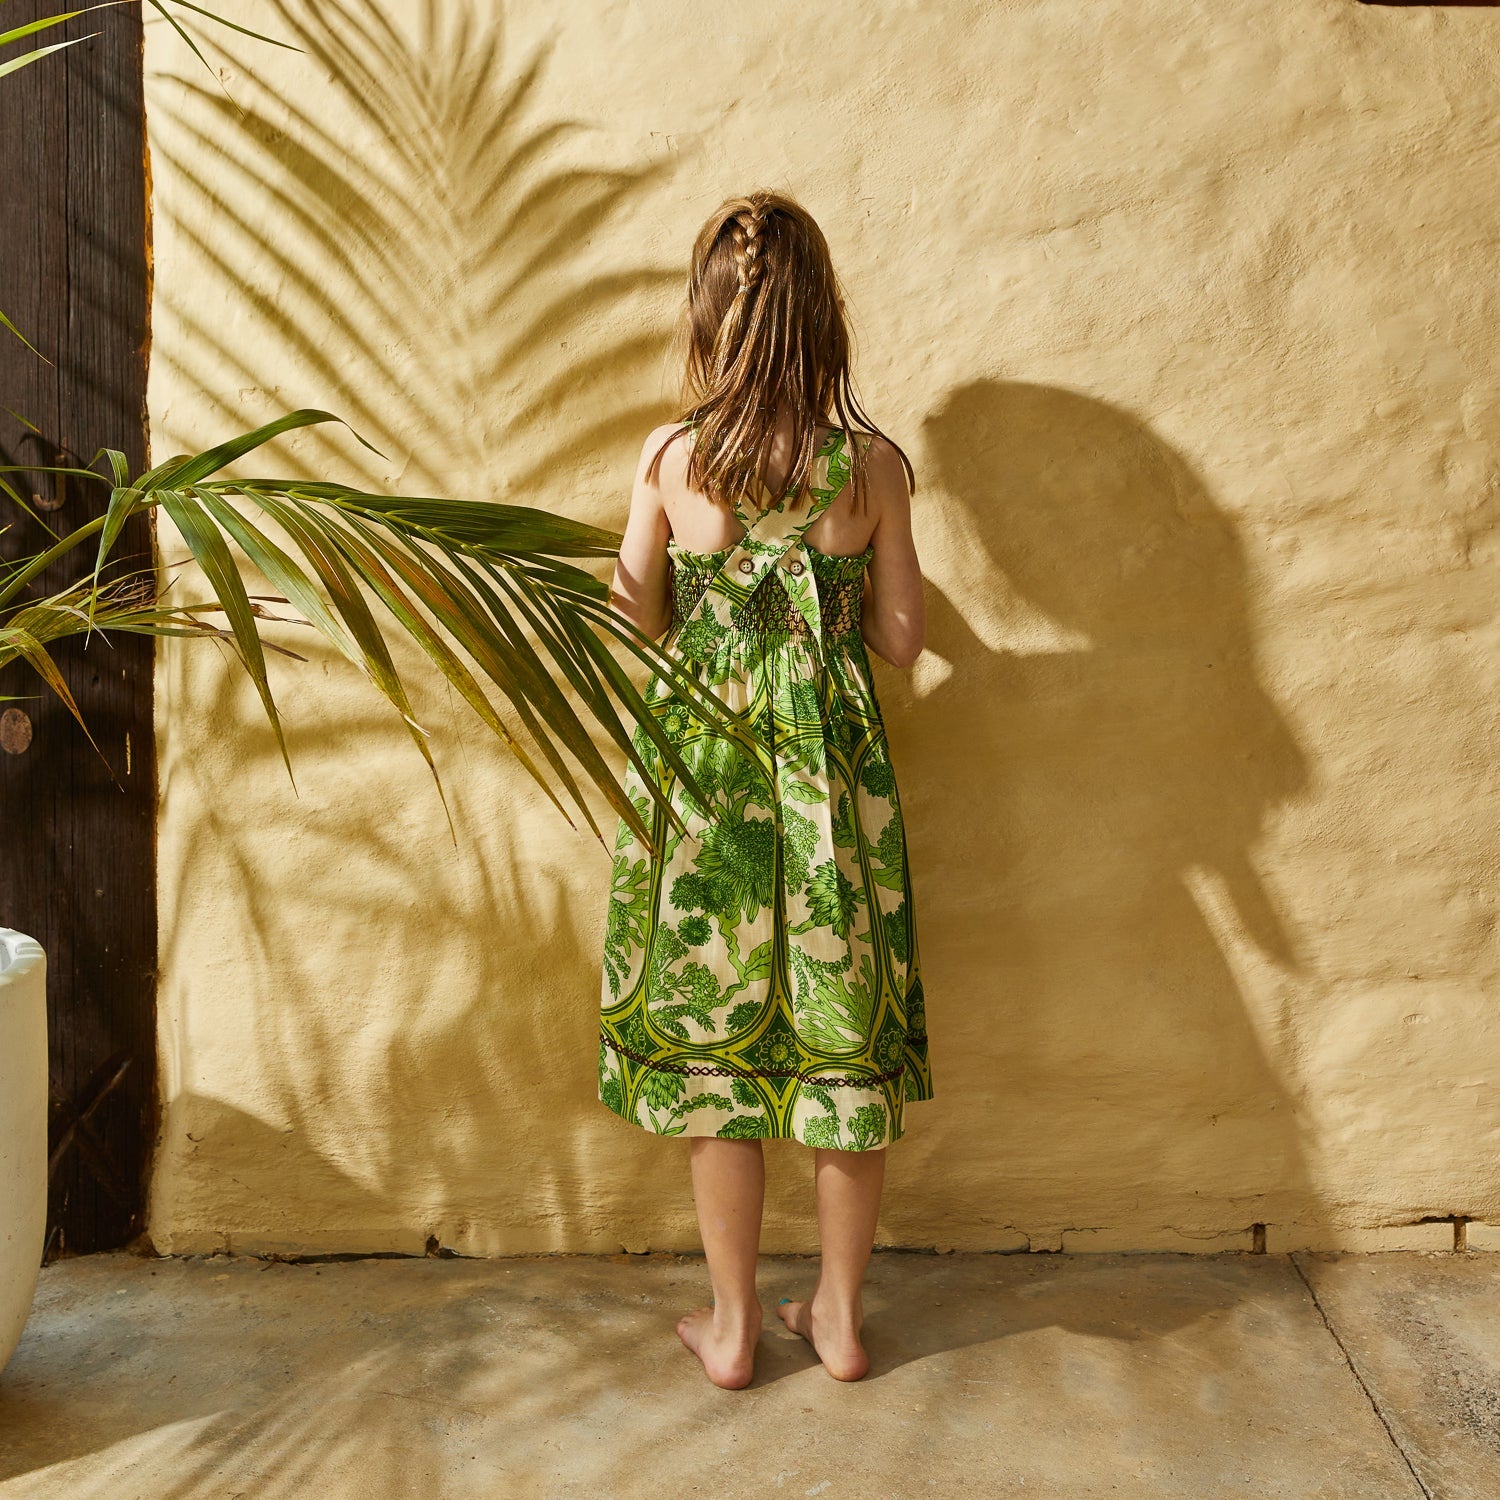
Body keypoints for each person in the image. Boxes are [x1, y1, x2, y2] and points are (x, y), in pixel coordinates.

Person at [598, 188, 933, 1389]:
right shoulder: (872, 467)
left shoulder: (673, 457)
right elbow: (903, 639)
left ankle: (734, 1324)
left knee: (717, 1054)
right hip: (831, 792)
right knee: (841, 1054)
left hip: (706, 783)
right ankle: (836, 1317)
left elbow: (632, 615)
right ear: (822, 319)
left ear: (709, 318)